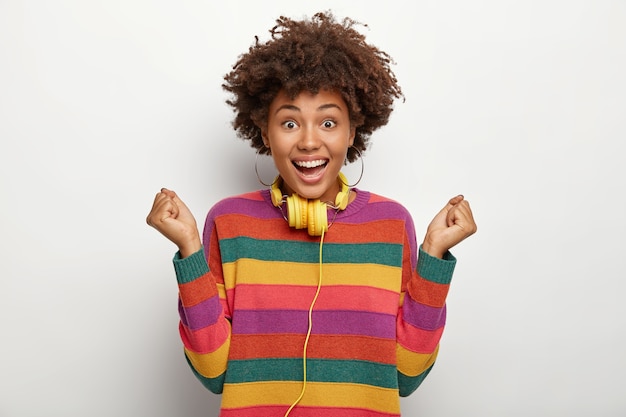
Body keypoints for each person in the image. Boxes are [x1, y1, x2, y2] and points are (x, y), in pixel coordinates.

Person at [147, 11, 477, 417]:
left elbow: (407, 377)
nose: (308, 141)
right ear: (264, 132)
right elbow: (215, 374)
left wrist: (434, 258)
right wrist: (190, 251)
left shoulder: (391, 225)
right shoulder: (230, 223)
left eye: (328, 122)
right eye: (289, 122)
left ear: (352, 131)